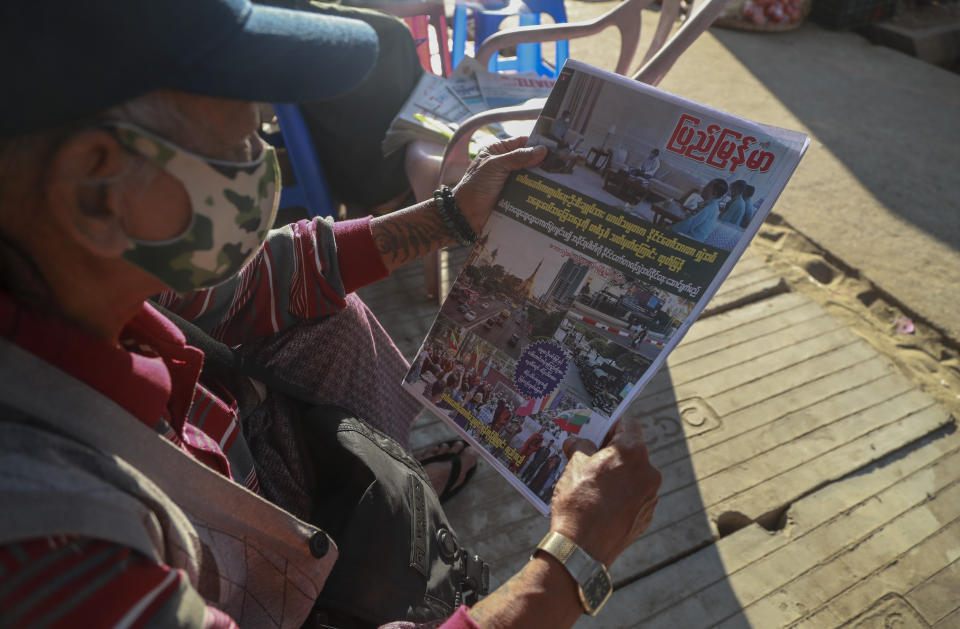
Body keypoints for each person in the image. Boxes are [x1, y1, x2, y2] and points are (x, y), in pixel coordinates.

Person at [0, 1, 662, 627]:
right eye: (240, 142)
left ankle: (389, 490)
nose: (264, 162)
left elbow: (263, 280)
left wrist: (449, 215)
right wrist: (572, 562)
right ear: (95, 187)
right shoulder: (55, 548)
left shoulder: (62, 270)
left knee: (326, 317)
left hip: (241, 487)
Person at [669, 178, 729, 243]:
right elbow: (693, 219)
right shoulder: (712, 205)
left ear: (715, 192)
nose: (704, 188)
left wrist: (669, 228)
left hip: (689, 240)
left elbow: (687, 225)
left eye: (708, 186)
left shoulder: (708, 207)